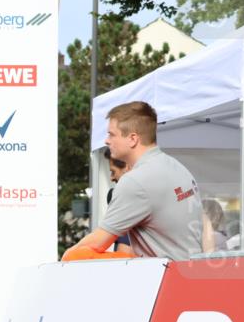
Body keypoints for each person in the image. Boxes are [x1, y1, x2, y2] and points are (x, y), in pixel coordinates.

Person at [64, 101, 206, 261]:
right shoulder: (178, 167)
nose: (106, 141)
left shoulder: (136, 181)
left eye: (111, 134)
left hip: (166, 280)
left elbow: (94, 245)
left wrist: (65, 258)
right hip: (189, 273)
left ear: (132, 139)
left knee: (76, 255)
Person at [103, 149, 133, 254]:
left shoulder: (129, 204)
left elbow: (125, 257)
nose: (111, 178)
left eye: (113, 171)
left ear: (127, 167)